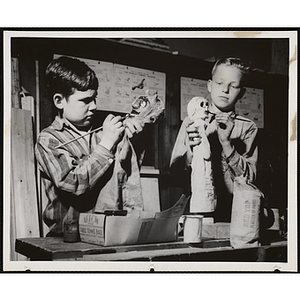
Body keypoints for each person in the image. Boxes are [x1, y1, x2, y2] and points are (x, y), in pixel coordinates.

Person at [35, 56, 145, 236]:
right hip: (67, 238)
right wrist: (106, 145)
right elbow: (73, 183)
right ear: (59, 101)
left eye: (95, 98)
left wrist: (136, 139)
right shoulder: (49, 139)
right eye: (85, 101)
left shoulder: (105, 130)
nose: (93, 106)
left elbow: (126, 177)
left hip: (108, 233)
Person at [171, 57, 258, 221]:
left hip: (235, 213)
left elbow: (250, 179)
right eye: (219, 83)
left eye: (233, 86)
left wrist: (226, 144)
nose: (225, 90)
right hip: (197, 210)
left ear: (242, 92)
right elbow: (175, 175)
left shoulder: (247, 127)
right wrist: (190, 153)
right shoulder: (190, 123)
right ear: (209, 85)